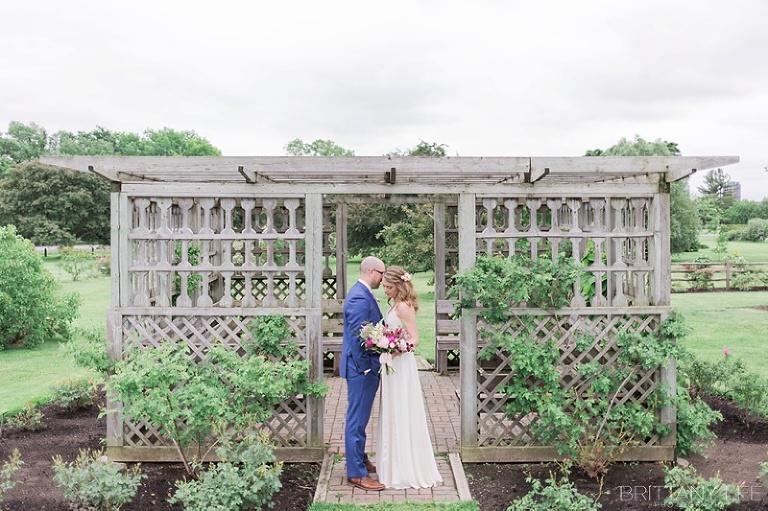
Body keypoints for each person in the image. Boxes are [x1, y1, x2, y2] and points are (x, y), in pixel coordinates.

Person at [376, 265, 443, 489]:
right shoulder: (395, 304)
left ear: (399, 285)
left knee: (402, 410)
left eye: (388, 286)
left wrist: (394, 350)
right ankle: (393, 464)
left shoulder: (404, 307)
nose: (384, 289)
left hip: (401, 365)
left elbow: (415, 339)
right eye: (384, 286)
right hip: (392, 364)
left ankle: (405, 467)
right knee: (393, 410)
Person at [341, 256, 387, 491]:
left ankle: (360, 458)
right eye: (382, 272)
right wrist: (367, 367)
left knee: (361, 418)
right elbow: (359, 337)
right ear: (371, 271)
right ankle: (356, 473)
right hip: (361, 369)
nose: (383, 277)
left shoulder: (364, 293)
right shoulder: (359, 297)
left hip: (365, 368)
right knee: (357, 420)